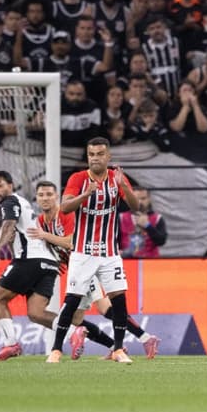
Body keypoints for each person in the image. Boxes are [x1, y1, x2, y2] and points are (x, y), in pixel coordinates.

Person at [26, 181, 160, 360]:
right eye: (41, 195)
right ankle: (124, 344)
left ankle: (142, 339)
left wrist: (45, 236)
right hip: (77, 267)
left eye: (49, 194)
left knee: (103, 308)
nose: (45, 198)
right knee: (76, 320)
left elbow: (71, 242)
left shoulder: (65, 215)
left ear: (57, 197)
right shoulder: (42, 221)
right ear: (36, 198)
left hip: (88, 262)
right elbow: (55, 247)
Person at [47, 137, 140, 364]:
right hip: (83, 252)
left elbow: (136, 206)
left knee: (119, 300)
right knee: (72, 301)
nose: (95, 158)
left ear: (108, 156)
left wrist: (123, 186)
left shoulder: (116, 177)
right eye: (91, 154)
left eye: (99, 154)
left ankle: (118, 350)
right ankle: (56, 350)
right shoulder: (78, 178)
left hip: (109, 253)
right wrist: (85, 195)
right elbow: (65, 208)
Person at [0, 171, 61, 361]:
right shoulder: (22, 202)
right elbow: (17, 232)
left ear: (10, 185)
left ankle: (10, 344)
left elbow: (9, 224)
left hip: (29, 260)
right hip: (49, 263)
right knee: (36, 313)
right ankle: (76, 331)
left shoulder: (10, 201)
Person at [119, 187, 167, 258]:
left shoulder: (157, 218)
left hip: (151, 261)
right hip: (127, 261)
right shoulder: (121, 217)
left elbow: (161, 241)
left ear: (149, 199)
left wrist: (148, 226)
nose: (140, 202)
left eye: (143, 198)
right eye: (136, 199)